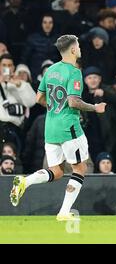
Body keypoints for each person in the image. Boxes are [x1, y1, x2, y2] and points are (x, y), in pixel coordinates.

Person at [10, 35, 107, 221]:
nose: (80, 48)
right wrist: (95, 107)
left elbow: (39, 98)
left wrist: (55, 108)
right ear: (72, 49)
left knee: (57, 172)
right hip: (68, 126)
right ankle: (64, 213)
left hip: (51, 127)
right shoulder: (74, 72)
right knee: (80, 168)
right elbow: (73, 101)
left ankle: (25, 181)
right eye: (78, 45)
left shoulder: (51, 70)